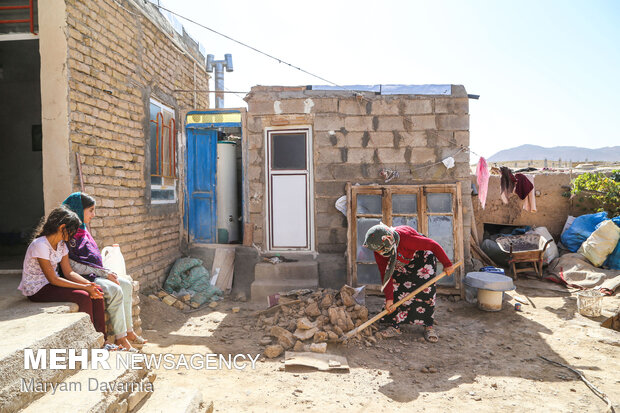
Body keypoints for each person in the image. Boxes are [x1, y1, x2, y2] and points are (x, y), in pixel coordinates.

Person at [62, 192, 147, 351]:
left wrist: (105, 272)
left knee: (126, 285)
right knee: (115, 290)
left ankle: (129, 331)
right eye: (91, 210)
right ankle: (121, 338)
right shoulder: (69, 236)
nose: (94, 215)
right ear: (78, 210)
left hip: (96, 274)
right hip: (84, 278)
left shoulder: (83, 231)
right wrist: (104, 273)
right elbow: (74, 267)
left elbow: (92, 258)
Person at [19, 206, 106, 334]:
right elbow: (53, 279)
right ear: (62, 227)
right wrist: (84, 288)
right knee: (83, 296)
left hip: (51, 285)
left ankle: (102, 339)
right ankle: (90, 336)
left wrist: (89, 285)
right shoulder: (40, 245)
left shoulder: (61, 244)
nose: (73, 234)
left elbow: (68, 272)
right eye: (72, 230)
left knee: (97, 290)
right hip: (37, 289)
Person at [363, 224, 456, 342]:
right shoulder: (378, 251)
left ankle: (428, 326)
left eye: (380, 250)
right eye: (377, 250)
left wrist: (447, 264)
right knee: (397, 288)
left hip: (422, 259)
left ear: (388, 243)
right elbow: (385, 274)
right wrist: (389, 299)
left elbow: (433, 245)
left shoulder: (406, 238)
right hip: (401, 262)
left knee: (426, 291)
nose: (378, 252)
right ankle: (394, 326)